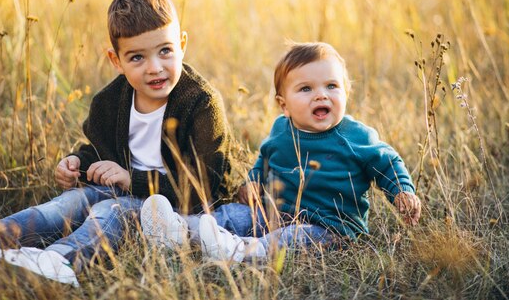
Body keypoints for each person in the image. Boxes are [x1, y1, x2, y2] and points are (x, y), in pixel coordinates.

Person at [0, 0, 232, 284]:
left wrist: (130, 180)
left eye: (165, 51)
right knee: (65, 204)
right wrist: (77, 164)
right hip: (119, 187)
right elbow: (98, 151)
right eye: (137, 57)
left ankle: (57, 261)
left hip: (166, 211)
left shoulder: (201, 102)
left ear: (181, 44)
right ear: (116, 60)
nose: (154, 68)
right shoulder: (109, 102)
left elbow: (205, 185)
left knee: (110, 210)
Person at [141, 41, 421, 262]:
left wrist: (401, 190)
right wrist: (253, 181)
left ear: (346, 92)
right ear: (283, 105)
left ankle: (240, 252)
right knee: (234, 216)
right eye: (306, 89)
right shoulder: (281, 130)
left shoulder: (355, 136)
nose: (321, 95)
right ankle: (179, 228)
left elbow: (387, 162)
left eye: (332, 86)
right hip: (276, 212)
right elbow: (265, 159)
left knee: (289, 240)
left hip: (330, 228)